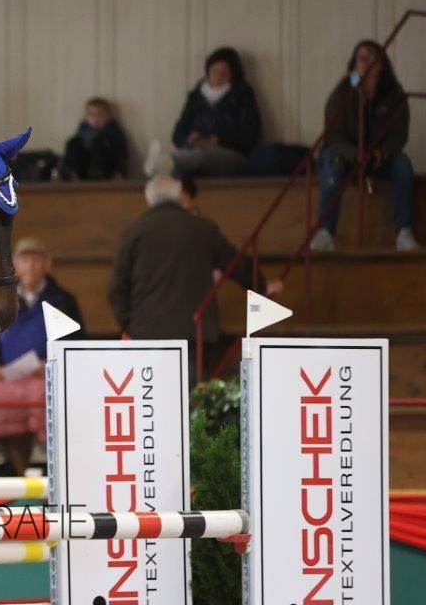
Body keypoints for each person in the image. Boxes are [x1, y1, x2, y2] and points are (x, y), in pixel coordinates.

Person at [108, 176, 283, 382]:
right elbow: (236, 264)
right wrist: (261, 285)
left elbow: (117, 288)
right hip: (193, 332)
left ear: (148, 200)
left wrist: (128, 325)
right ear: (180, 197)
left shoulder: (132, 233)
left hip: (146, 332)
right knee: (191, 396)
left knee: (151, 395)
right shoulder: (203, 228)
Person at [0, 238, 84, 471]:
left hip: (45, 376)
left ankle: (42, 452)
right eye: (25, 259)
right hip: (7, 378)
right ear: (15, 263)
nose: (31, 266)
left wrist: (52, 364)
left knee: (46, 391)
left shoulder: (62, 301)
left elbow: (75, 344)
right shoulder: (0, 301)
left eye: (36, 259)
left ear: (47, 264)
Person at [310, 39, 416, 252]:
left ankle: (404, 232)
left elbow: (399, 135)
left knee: (403, 165)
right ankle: (325, 232)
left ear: (380, 65)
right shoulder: (343, 92)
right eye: (361, 59)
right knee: (331, 161)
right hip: (346, 155)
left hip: (378, 157)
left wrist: (382, 152)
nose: (365, 64)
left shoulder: (394, 95)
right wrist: (353, 153)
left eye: (370, 59)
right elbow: (333, 135)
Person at [150, 47, 261, 178]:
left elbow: (250, 135)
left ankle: (166, 160)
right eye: (214, 72)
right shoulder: (197, 95)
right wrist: (189, 139)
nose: (218, 77)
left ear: (233, 75)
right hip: (194, 150)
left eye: (224, 73)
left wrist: (217, 140)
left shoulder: (242, 94)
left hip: (231, 153)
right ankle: (165, 166)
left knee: (201, 156)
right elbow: (177, 134)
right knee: (181, 170)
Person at [62, 97, 129, 179]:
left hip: (106, 169)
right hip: (85, 167)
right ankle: (73, 173)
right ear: (86, 116)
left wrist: (119, 171)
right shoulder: (82, 130)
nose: (95, 119)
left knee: (98, 142)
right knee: (73, 142)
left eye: (100, 115)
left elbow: (122, 153)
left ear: (108, 117)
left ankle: (98, 174)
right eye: (91, 115)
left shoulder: (113, 131)